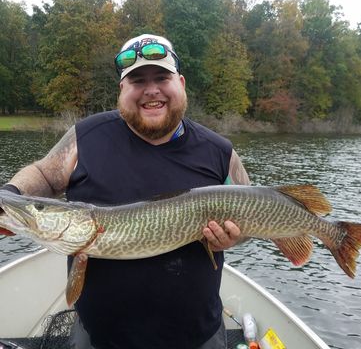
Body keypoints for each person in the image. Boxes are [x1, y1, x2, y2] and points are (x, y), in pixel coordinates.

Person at [0, 34, 250, 349]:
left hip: (197, 336)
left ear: (181, 83)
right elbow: (44, 174)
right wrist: (8, 196)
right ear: (122, 90)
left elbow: (251, 215)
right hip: (101, 338)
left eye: (162, 77)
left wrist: (234, 236)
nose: (151, 89)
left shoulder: (219, 151)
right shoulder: (86, 137)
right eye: (137, 80)